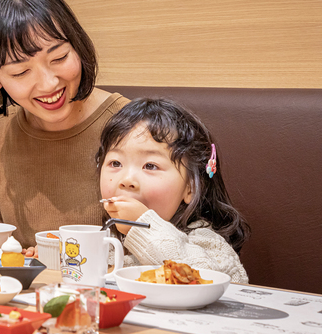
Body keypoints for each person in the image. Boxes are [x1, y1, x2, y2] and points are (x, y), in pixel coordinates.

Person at [0, 0, 129, 251]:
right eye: (20, 72)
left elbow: (163, 247)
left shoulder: (132, 127)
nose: (48, 84)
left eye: (59, 58)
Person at [97, 98, 250, 283]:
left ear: (191, 187)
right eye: (115, 163)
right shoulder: (105, 239)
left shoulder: (205, 241)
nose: (127, 180)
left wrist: (144, 227)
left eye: (150, 166)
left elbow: (210, 281)